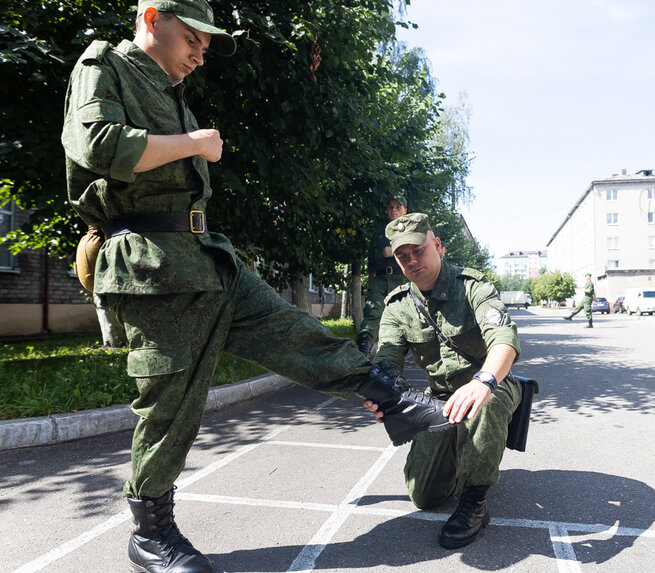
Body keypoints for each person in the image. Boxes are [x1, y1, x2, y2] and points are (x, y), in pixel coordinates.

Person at [61, 3, 451, 571]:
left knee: (291, 330)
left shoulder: (170, 90)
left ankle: (392, 398)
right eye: (192, 38)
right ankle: (150, 531)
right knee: (172, 403)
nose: (198, 54)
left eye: (203, 45)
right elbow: (98, 146)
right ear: (152, 18)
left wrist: (190, 138)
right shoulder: (105, 65)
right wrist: (194, 142)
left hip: (204, 255)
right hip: (150, 266)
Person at [363, 213, 522, 549]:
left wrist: (483, 381)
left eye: (418, 251)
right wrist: (381, 394)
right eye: (402, 256)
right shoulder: (397, 306)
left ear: (438, 246)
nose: (411, 261)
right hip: (441, 400)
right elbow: (387, 360)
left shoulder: (473, 287)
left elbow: (504, 341)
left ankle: (475, 501)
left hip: (491, 384)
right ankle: (465, 451)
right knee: (423, 495)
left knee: (483, 404)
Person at [356, 194, 409, 358]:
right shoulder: (379, 231)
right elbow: (371, 258)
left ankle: (398, 354)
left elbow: (416, 252)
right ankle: (363, 351)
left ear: (405, 210)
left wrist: (393, 251)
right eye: (390, 207)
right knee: (372, 313)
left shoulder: (411, 229)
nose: (393, 210)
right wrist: (370, 281)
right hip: (379, 279)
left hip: (402, 280)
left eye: (397, 207)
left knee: (403, 319)